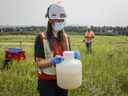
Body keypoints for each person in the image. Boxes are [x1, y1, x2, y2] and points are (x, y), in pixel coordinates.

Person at [34, 3, 80, 96]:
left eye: (62, 20)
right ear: (50, 20)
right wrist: (52, 61)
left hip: (63, 78)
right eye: (58, 20)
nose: (60, 22)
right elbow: (39, 63)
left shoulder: (66, 37)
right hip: (47, 81)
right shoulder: (42, 38)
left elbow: (67, 57)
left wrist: (73, 57)